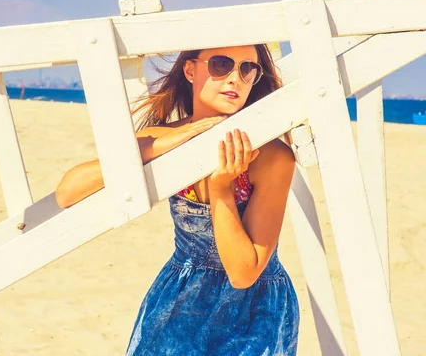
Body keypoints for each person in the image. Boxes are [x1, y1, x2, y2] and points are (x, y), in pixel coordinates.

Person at [55, 44, 300, 355]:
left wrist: (221, 188)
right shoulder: (164, 137)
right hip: (180, 295)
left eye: (247, 69)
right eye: (222, 64)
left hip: (254, 309)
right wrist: (161, 145)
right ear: (190, 69)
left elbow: (243, 273)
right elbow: (68, 192)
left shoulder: (270, 156)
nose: (235, 79)